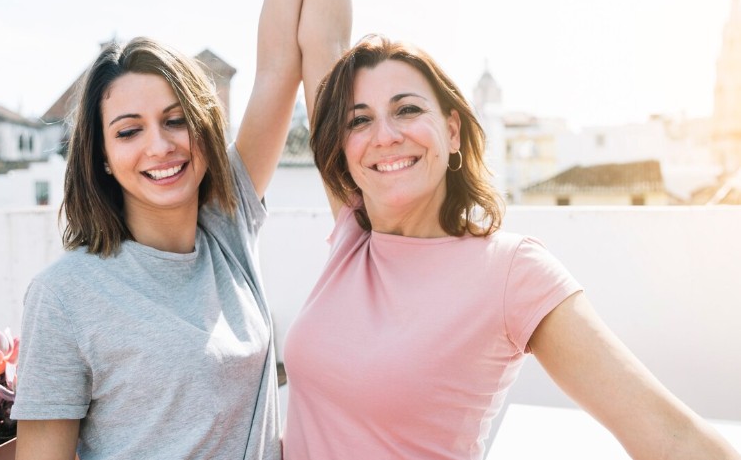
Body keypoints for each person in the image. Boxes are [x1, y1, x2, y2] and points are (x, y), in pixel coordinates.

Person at [10, 0, 378, 460]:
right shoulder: (66, 294)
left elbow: (279, 67)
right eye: (128, 130)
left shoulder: (227, 231)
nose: (160, 144)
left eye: (177, 119)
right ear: (99, 156)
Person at [284, 53, 741, 451]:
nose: (384, 135)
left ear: (452, 130)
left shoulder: (511, 271)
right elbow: (320, 38)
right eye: (359, 119)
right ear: (344, 149)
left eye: (407, 109)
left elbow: (672, 438)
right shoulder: (352, 236)